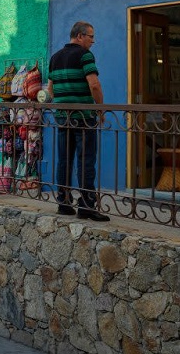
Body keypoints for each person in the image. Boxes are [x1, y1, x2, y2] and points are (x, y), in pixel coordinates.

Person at [48, 21, 108, 222]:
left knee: (64, 160)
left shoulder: (55, 57)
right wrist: (100, 109)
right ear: (80, 36)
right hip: (83, 117)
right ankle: (87, 206)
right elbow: (94, 85)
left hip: (63, 117)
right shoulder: (84, 55)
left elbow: (51, 90)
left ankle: (64, 204)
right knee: (86, 160)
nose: (93, 41)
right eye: (91, 36)